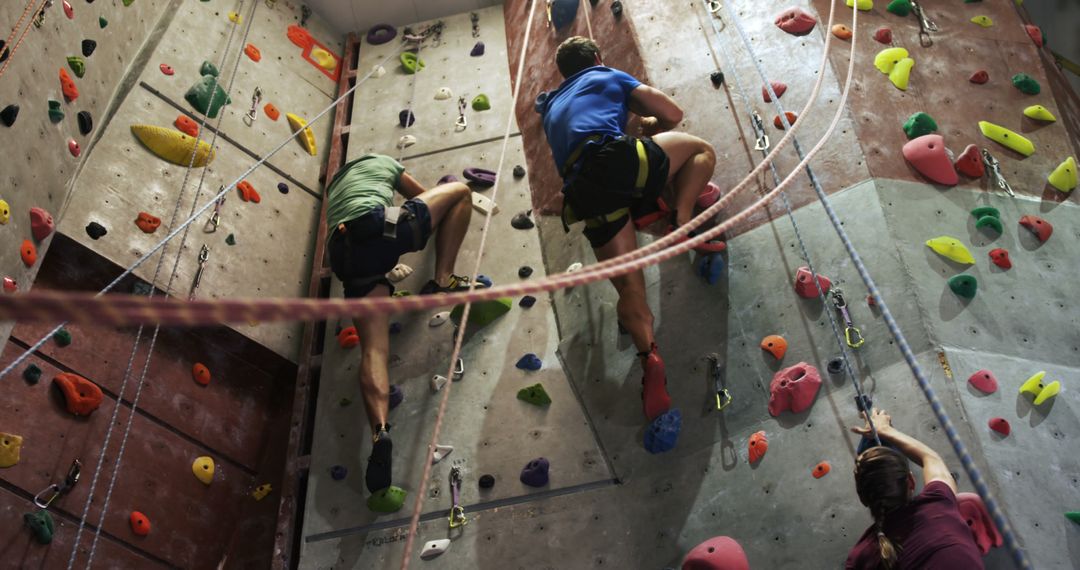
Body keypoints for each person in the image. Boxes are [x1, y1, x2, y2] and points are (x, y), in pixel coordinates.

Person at [535, 36, 725, 422]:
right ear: (597, 57)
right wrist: (648, 123)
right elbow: (672, 113)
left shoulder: (552, 105)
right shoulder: (603, 74)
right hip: (617, 160)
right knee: (700, 148)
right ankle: (683, 220)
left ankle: (649, 356)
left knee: (630, 287)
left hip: (583, 193)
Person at [325, 153, 475, 496]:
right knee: (460, 191)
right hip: (377, 223)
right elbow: (420, 198)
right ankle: (444, 277)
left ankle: (379, 430)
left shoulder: (336, 191)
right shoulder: (383, 161)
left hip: (345, 254)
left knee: (374, 351)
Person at [846, 408, 984, 569]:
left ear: (862, 498)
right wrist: (886, 430)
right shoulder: (938, 505)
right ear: (911, 481)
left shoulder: (859, 559)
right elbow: (931, 459)